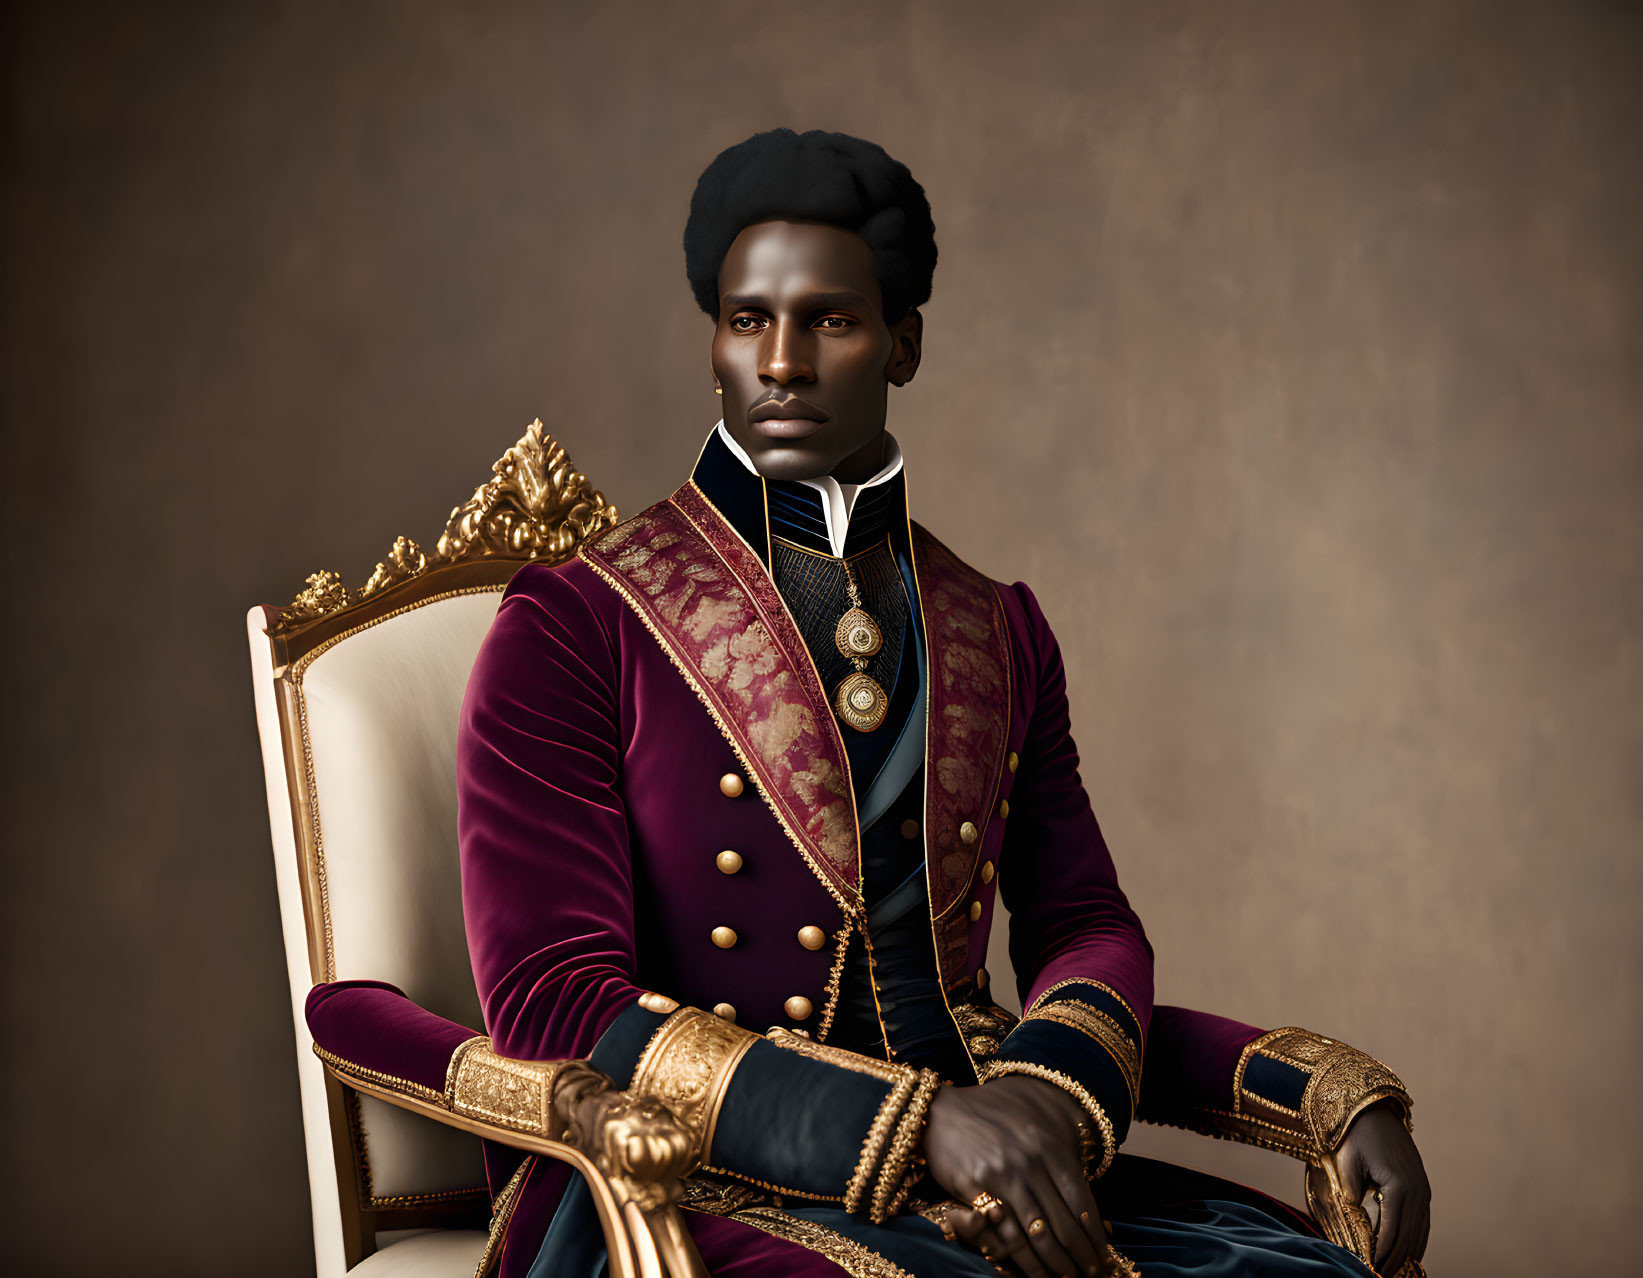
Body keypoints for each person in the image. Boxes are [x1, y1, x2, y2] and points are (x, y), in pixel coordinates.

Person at [455, 127, 1431, 1278]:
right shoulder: (580, 620)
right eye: (746, 319)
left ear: (902, 344)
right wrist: (917, 1130)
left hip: (997, 1153)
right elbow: (553, 1006)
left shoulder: (994, 623)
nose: (779, 362)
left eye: (828, 320)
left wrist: (1052, 1097)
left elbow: (1084, 927)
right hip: (689, 1179)